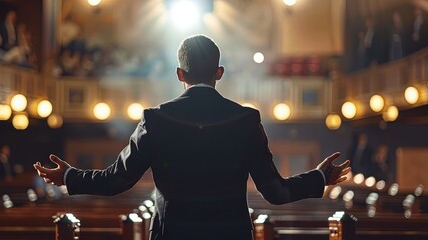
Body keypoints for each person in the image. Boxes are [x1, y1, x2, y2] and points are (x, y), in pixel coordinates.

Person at [34, 35, 350, 240]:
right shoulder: (245, 119)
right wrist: (319, 177)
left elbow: (117, 180)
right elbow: (275, 192)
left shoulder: (155, 119)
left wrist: (69, 177)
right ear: (219, 72)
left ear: (180, 74)